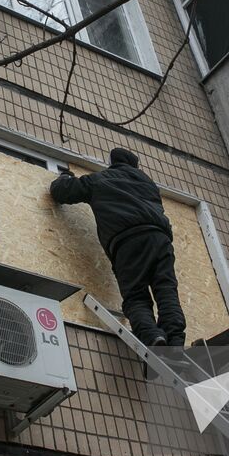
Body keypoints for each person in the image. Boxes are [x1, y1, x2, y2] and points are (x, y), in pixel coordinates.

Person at [49, 148, 186, 347]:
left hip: (127, 242)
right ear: (134, 166)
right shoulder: (149, 184)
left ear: (112, 162)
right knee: (166, 291)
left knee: (136, 296)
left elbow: (62, 191)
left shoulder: (100, 179)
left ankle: (151, 336)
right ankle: (175, 339)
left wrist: (65, 176)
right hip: (160, 239)